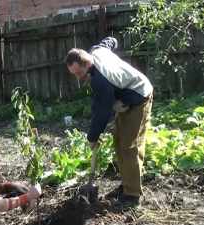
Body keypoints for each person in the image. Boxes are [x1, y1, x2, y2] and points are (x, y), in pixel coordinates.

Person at [65, 37, 153, 207]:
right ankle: (127, 184)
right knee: (118, 141)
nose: (78, 77)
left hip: (140, 96)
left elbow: (103, 112)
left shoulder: (101, 80)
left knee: (129, 145)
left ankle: (133, 195)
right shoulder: (96, 50)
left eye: (78, 73)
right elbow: (111, 41)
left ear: (86, 64)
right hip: (125, 100)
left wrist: (92, 137)